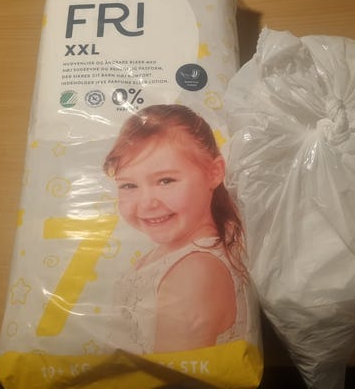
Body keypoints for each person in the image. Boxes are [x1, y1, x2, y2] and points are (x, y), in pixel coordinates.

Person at [104, 104, 251, 354]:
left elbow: (177, 371)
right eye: (129, 185)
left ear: (214, 173)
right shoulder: (177, 253)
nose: (147, 203)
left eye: (165, 181)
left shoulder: (194, 272)